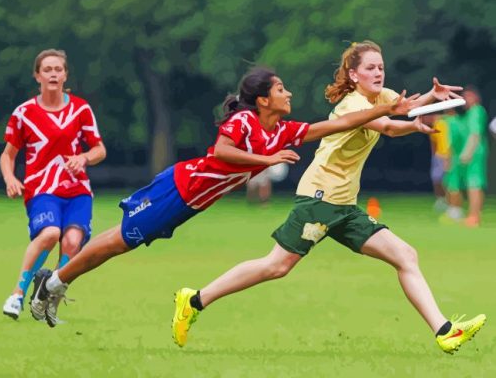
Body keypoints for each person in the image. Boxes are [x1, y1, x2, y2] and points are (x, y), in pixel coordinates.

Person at [30, 66, 418, 328]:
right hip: (179, 189)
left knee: (121, 241)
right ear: (263, 99)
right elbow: (221, 152)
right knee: (119, 241)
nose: (290, 93)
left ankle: (56, 281)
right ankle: (54, 282)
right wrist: (265, 158)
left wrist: (390, 109)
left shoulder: (283, 130)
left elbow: (341, 122)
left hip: (192, 202)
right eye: (281, 89)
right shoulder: (245, 121)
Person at [173, 42, 486, 354]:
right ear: (353, 74)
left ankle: (444, 331)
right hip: (320, 199)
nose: (378, 73)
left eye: (381, 67)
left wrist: (433, 98)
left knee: (405, 255)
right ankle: (196, 299)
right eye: (370, 68)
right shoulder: (352, 105)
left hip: (345, 206)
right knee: (276, 266)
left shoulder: (382, 96)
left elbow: (405, 108)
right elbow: (388, 125)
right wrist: (412, 126)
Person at [1, 49, 106, 320]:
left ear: (65, 75)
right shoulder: (24, 113)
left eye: (58, 69)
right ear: (37, 76)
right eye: (47, 69)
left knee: (72, 242)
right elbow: (8, 154)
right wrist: (11, 178)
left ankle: (48, 297)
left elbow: (99, 149)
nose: (53, 74)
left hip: (77, 189)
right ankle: (18, 294)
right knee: (49, 234)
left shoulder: (80, 109)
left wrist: (83, 158)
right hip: (42, 188)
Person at [459, 86, 488, 227]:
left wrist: (467, 152)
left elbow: (475, 134)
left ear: (476, 97)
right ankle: (475, 214)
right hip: (475, 151)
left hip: (475, 152)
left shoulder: (476, 111)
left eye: (469, 96)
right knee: (474, 183)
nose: (466, 100)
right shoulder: (471, 113)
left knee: (474, 184)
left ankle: (474, 216)